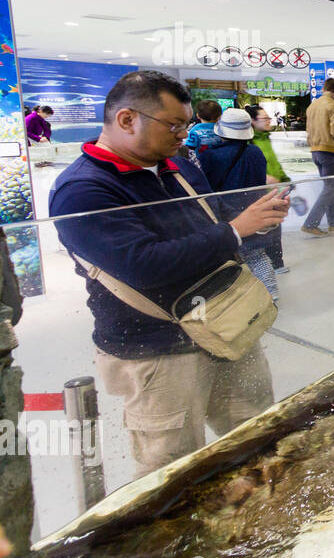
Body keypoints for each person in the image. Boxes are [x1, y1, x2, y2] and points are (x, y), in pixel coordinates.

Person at [48, 70, 288, 478]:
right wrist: (235, 230)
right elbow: (143, 265)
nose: (183, 134)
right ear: (126, 119)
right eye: (174, 125)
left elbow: (209, 220)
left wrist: (255, 219)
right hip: (157, 348)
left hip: (227, 325)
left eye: (186, 124)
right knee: (171, 468)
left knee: (257, 435)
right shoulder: (82, 190)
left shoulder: (177, 168)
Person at [199, 108, 279, 300]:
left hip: (224, 215)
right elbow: (259, 183)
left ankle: (235, 302)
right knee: (257, 255)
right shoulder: (255, 152)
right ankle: (271, 295)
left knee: (226, 258)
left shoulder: (209, 156)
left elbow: (206, 188)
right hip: (254, 211)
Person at [247, 103, 292, 274]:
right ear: (252, 121)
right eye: (264, 118)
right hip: (261, 194)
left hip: (276, 192)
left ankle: (277, 262)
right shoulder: (249, 143)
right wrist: (264, 179)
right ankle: (266, 265)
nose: (268, 121)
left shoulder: (265, 139)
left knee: (275, 226)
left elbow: (273, 162)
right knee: (264, 230)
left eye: (268, 118)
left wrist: (284, 178)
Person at [302, 77, 334, 236]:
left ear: (324, 88)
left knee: (330, 187)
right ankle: (310, 224)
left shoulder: (312, 105)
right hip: (330, 150)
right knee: (331, 188)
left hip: (315, 150)